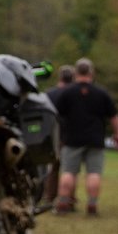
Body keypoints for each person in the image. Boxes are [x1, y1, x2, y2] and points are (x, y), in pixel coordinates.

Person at [52, 58, 118, 216]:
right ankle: (92, 204)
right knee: (94, 173)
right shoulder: (101, 93)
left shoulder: (67, 92)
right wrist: (117, 134)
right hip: (95, 139)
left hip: (71, 139)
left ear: (76, 72)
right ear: (91, 73)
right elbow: (114, 116)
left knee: (68, 172)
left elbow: (56, 115)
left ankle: (63, 202)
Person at [42, 64, 75, 207]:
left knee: (53, 169)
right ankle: (69, 198)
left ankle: (49, 197)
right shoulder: (75, 93)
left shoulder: (48, 94)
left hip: (51, 136)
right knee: (70, 169)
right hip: (69, 136)